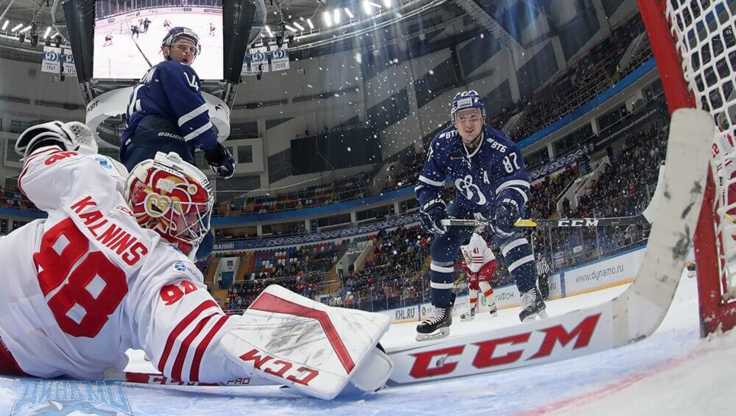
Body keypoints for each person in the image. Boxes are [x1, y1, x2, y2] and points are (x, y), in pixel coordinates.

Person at [0, 121, 391, 400]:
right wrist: (301, 346)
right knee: (105, 369)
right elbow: (196, 348)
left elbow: (34, 170)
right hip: (21, 357)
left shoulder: (97, 178)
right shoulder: (162, 271)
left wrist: (63, 144)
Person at [415, 90, 546, 341]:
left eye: (473, 116)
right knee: (441, 246)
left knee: (507, 230)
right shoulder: (443, 144)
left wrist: (507, 206)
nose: (468, 123)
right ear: (454, 121)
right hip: (465, 204)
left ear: (483, 118)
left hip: (496, 201)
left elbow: (516, 182)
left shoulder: (500, 146)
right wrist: (431, 206)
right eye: (462, 117)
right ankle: (441, 310)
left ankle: (530, 294)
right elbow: (427, 185)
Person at [121, 26, 235, 260]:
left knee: (135, 213)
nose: (187, 53)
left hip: (137, 145)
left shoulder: (145, 82)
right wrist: (215, 152)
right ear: (165, 50)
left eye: (192, 50)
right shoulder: (177, 70)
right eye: (182, 47)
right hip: (165, 142)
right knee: (188, 227)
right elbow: (191, 112)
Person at [458, 232, 498, 321]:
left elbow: (477, 262)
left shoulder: (475, 239)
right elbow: (468, 260)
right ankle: (471, 310)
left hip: (488, 262)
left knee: (482, 282)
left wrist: (470, 268)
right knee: (472, 286)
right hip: (476, 266)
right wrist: (469, 268)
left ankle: (493, 308)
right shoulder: (462, 242)